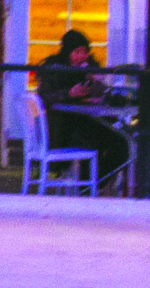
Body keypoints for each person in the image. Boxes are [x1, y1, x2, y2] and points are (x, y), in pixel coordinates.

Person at [38, 28, 128, 191]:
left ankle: (93, 185)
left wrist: (95, 80)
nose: (82, 56)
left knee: (123, 143)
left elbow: (103, 95)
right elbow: (43, 98)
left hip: (88, 121)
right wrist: (69, 93)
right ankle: (87, 187)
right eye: (77, 52)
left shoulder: (89, 68)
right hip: (63, 130)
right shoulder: (55, 70)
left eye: (85, 52)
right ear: (67, 52)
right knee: (98, 142)